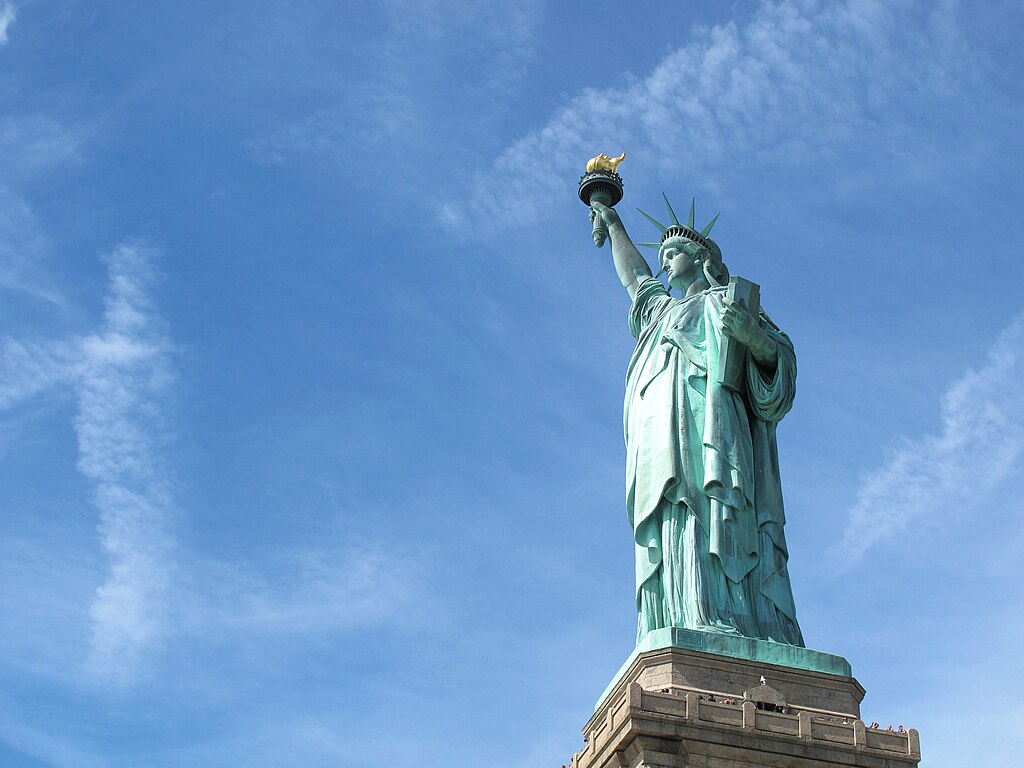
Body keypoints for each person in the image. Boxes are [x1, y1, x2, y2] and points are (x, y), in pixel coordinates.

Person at [590, 200, 804, 646]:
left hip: (716, 438)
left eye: (673, 253)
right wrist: (613, 224)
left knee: (715, 514)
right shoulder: (660, 315)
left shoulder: (728, 304)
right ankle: (687, 612)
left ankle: (740, 619)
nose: (665, 262)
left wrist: (753, 337)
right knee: (677, 518)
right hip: (664, 444)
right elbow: (635, 280)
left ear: (702, 259)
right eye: (662, 256)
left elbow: (778, 366)